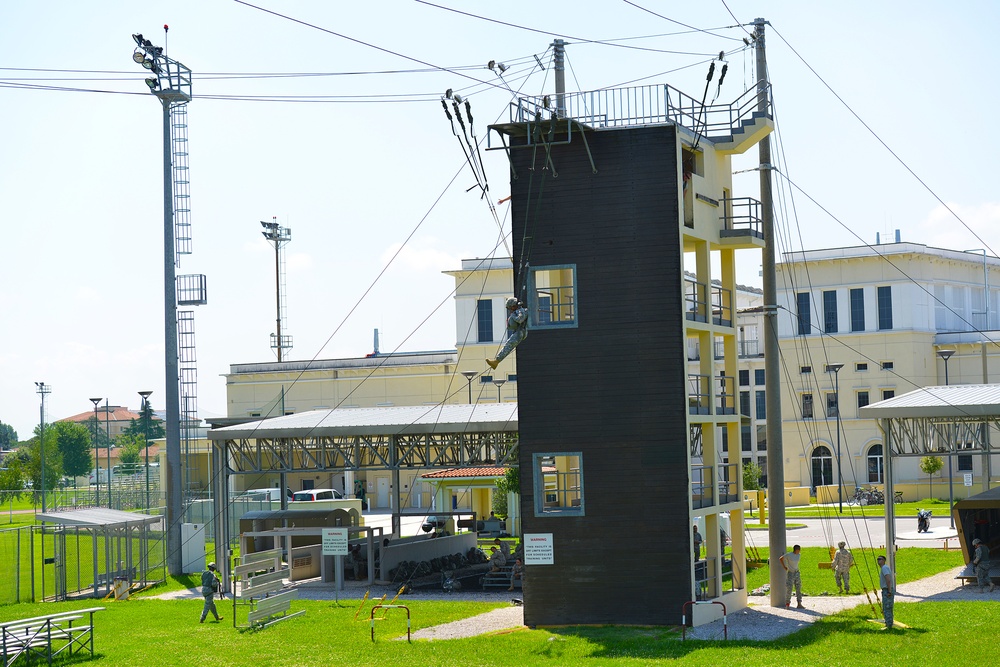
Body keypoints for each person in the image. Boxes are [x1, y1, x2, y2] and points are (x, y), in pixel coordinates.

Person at [486, 297, 527, 370]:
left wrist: (513, 316)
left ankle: (496, 361)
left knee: (509, 345)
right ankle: (496, 361)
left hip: (520, 332)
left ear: (513, 306)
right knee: (508, 345)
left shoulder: (520, 311)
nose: (510, 310)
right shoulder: (517, 311)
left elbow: (520, 320)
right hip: (518, 331)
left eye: (510, 308)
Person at [779, 544, 804, 609]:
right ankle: (787, 604)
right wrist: (784, 566)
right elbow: (781, 558)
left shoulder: (799, 555)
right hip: (790, 573)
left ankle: (799, 603)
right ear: (795, 550)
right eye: (797, 550)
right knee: (789, 588)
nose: (798, 552)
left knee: (798, 588)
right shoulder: (789, 555)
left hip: (797, 573)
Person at [877, 555, 895, 629]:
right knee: (887, 607)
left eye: (880, 559)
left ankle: (889, 625)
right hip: (886, 589)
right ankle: (888, 623)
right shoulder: (884, 568)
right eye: (878, 559)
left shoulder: (884, 568)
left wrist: (889, 591)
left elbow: (888, 579)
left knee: (887, 608)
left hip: (887, 590)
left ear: (884, 560)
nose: (878, 561)